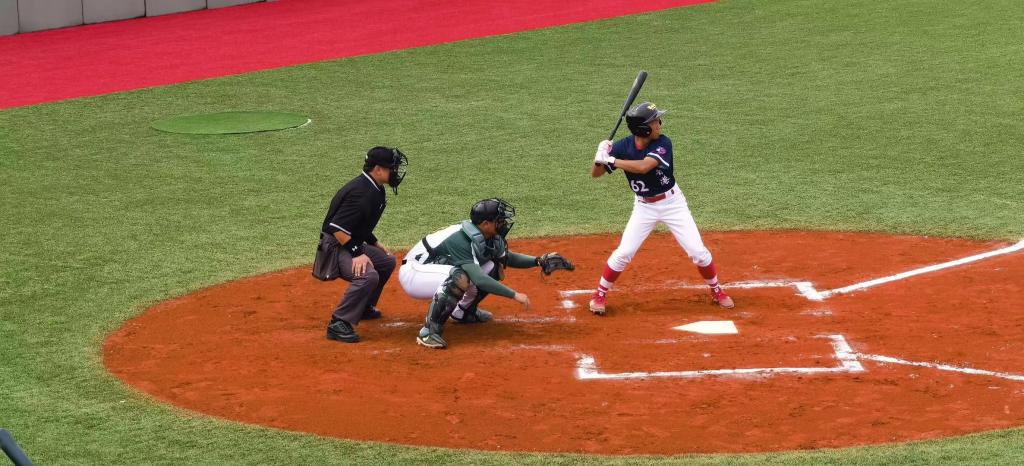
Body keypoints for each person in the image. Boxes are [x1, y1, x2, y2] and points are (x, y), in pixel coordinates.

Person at [589, 102, 733, 315]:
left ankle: (716, 290)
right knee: (624, 252)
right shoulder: (622, 147)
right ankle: (599, 294)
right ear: (643, 129)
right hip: (643, 207)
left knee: (698, 253)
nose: (659, 124)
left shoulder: (663, 142)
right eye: (655, 121)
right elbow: (596, 174)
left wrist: (611, 159)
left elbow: (644, 166)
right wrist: (599, 156)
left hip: (673, 204)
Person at [398, 198, 574, 349]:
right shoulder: (461, 239)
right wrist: (514, 295)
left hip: (436, 269)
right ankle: (429, 332)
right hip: (414, 272)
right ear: (485, 224)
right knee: (458, 277)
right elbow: (479, 279)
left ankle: (464, 312)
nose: (503, 223)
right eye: (499, 220)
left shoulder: (487, 235)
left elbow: (506, 258)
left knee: (494, 266)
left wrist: (538, 261)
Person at [314, 146, 408, 343]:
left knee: (386, 261)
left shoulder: (375, 187)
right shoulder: (362, 192)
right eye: (392, 168)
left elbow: (356, 224)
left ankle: (363, 306)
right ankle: (339, 322)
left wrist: (374, 241)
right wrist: (357, 254)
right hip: (335, 247)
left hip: (348, 242)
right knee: (367, 275)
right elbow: (337, 228)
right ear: (378, 169)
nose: (395, 172)